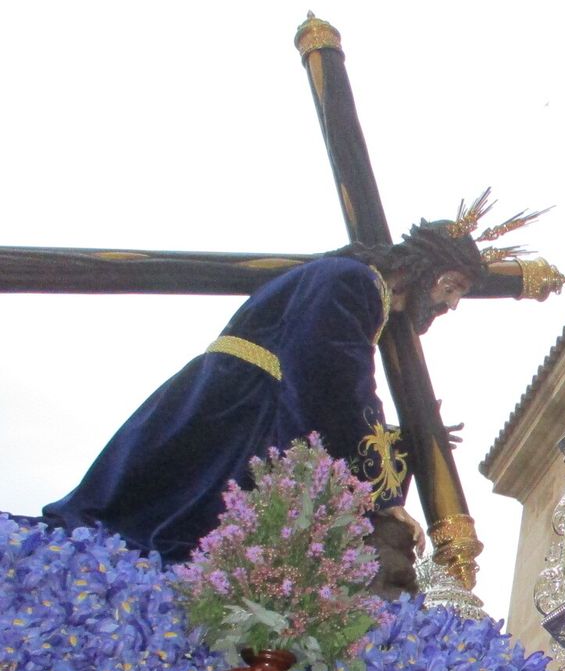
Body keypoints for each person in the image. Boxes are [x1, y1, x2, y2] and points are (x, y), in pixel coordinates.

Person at [42, 199, 524, 564]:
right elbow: (332, 390)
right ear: (423, 269)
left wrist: (396, 442)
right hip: (231, 420)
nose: (451, 303)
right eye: (451, 286)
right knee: (168, 543)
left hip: (228, 406)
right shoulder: (351, 283)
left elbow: (329, 387)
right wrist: (378, 496)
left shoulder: (350, 283)